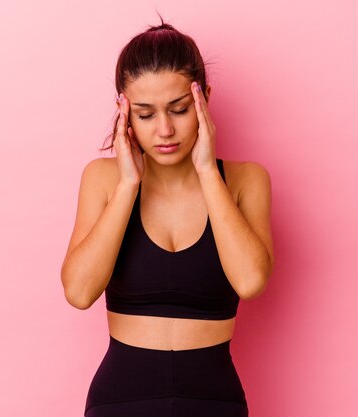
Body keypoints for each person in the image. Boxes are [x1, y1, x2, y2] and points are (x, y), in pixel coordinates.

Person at [61, 16, 275, 417]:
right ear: (123, 112)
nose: (164, 130)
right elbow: (79, 292)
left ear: (204, 99)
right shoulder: (104, 180)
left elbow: (250, 282)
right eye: (144, 114)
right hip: (121, 401)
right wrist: (128, 184)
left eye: (178, 110)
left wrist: (209, 171)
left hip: (214, 402)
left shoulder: (247, 180)